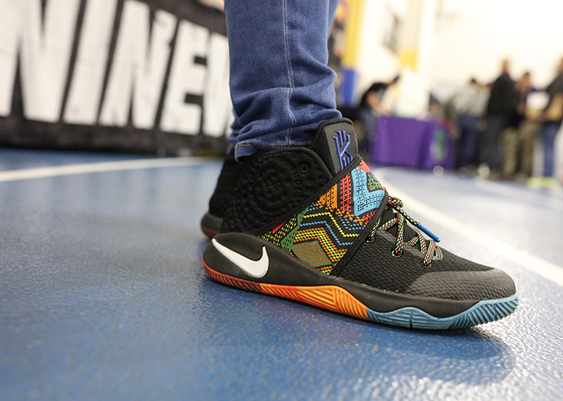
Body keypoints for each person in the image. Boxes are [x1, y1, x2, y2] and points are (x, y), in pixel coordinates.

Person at [199, 0, 518, 330]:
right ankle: (290, 151)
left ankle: (248, 177)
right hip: (289, 172)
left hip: (254, 173)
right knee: (291, 125)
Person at [539, 57, 563, 185]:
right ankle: (547, 175)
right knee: (549, 145)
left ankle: (547, 176)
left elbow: (557, 98)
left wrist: (547, 113)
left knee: (549, 145)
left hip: (552, 118)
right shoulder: (562, 79)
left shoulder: (561, 79)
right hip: (555, 118)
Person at [484, 59, 517, 175]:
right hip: (503, 118)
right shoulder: (511, 82)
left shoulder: (501, 80)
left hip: (496, 116)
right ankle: (498, 167)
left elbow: (494, 100)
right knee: (499, 142)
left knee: (492, 141)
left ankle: (494, 168)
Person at [357, 75, 400, 152]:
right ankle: (361, 150)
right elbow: (371, 99)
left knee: (371, 130)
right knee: (369, 131)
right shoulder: (379, 86)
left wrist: (384, 110)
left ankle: (364, 150)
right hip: (365, 110)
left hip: (368, 111)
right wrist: (382, 109)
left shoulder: (384, 88)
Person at [453, 78, 488, 170]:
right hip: (475, 119)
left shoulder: (467, 91)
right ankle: (465, 164)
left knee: (461, 142)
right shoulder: (482, 93)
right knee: (470, 143)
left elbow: (459, 106)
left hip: (465, 117)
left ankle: (459, 163)